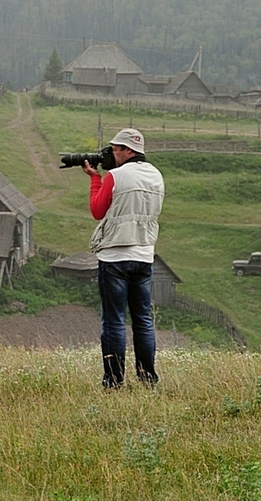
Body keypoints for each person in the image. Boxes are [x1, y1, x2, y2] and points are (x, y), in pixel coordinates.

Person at [82, 128, 164, 389]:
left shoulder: (115, 176)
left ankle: (114, 380)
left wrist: (95, 178)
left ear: (129, 151)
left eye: (117, 149)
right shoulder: (157, 176)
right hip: (144, 254)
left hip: (115, 255)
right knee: (142, 319)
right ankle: (147, 378)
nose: (112, 154)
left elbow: (97, 211)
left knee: (115, 320)